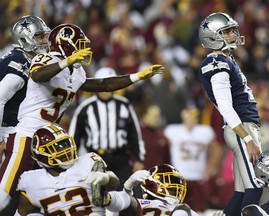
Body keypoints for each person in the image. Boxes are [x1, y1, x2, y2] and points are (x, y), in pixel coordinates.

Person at [0, 23, 164, 212]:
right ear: (65, 46)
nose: (84, 49)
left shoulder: (76, 72)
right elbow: (37, 75)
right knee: (5, 195)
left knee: (47, 194)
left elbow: (102, 84)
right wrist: (66, 62)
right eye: (79, 45)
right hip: (27, 135)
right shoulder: (46, 58)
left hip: (49, 142)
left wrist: (137, 77)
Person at [198, 12, 263, 215]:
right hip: (240, 128)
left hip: (242, 127)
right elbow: (226, 107)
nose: (233, 34)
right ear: (212, 36)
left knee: (242, 191)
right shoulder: (216, 63)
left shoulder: (226, 59)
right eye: (226, 31)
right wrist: (247, 138)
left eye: (232, 30)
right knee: (256, 185)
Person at [15, 124, 128, 215]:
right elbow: (22, 212)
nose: (65, 150)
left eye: (65, 144)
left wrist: (106, 178)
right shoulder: (31, 181)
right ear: (41, 155)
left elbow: (114, 185)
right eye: (57, 147)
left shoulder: (88, 162)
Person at [0, 15, 50, 214]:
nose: (45, 42)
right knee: (7, 195)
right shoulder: (20, 62)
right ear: (24, 39)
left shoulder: (22, 58)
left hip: (17, 134)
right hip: (9, 134)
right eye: (39, 37)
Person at [69, 67, 145, 193]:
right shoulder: (85, 108)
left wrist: (138, 159)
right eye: (102, 84)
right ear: (96, 86)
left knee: (128, 196)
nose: (106, 88)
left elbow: (135, 134)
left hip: (120, 158)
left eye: (110, 84)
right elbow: (74, 137)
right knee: (94, 197)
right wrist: (72, 162)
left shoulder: (124, 105)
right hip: (95, 160)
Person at [164, 107, 222, 214]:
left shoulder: (205, 131)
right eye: (190, 116)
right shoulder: (172, 130)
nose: (193, 119)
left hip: (198, 177)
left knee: (200, 210)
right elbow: (162, 151)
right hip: (178, 178)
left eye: (195, 117)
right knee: (176, 209)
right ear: (183, 116)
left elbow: (216, 150)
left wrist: (211, 167)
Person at [102, 164, 199, 216]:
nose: (175, 187)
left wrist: (127, 188)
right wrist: (127, 188)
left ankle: (106, 197)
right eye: (169, 181)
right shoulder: (138, 203)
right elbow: (124, 204)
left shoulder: (139, 203)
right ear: (152, 183)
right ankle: (105, 197)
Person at [140, 104, 171, 169]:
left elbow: (167, 159)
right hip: (142, 175)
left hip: (158, 175)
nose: (155, 119)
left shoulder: (162, 136)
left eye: (157, 116)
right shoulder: (138, 134)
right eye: (153, 116)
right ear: (145, 116)